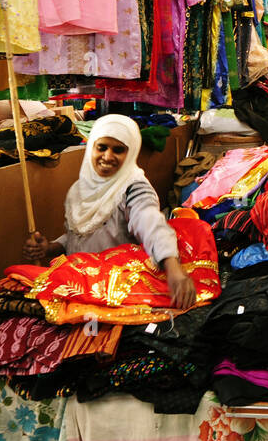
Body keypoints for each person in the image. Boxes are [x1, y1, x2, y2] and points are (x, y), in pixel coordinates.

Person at [23, 114, 196, 309]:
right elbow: (81, 233)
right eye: (102, 147)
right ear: (92, 148)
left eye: (118, 150)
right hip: (77, 288)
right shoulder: (81, 189)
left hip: (114, 293)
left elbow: (150, 222)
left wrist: (173, 268)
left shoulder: (134, 187)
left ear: (131, 153)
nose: (107, 156)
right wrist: (50, 248)